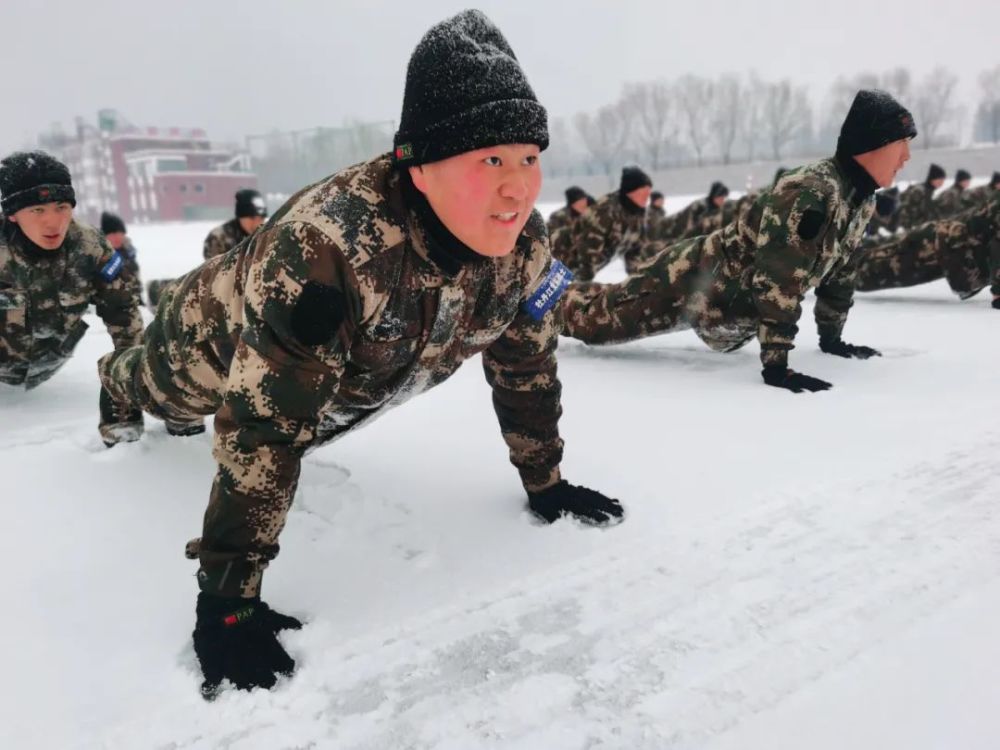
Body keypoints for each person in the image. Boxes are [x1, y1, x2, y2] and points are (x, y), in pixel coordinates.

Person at [97, 9, 623, 697]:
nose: (517, 186)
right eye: (489, 158)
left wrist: (545, 481)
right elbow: (266, 428)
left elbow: (525, 362)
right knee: (158, 388)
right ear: (419, 167)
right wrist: (229, 599)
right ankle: (112, 380)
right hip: (212, 336)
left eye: (529, 158)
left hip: (341, 378)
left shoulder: (524, 249)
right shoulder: (328, 250)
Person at [561, 90, 916, 393]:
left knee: (603, 304)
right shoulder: (811, 192)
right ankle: (536, 305)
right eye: (901, 144)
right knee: (594, 323)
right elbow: (779, 280)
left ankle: (555, 291)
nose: (906, 157)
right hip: (689, 281)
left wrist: (832, 340)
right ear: (873, 145)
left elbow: (841, 272)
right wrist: (776, 366)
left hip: (719, 299)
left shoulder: (859, 199)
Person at [0, 151, 144, 443]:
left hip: (50, 365)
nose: (54, 222)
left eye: (62, 206)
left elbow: (124, 314)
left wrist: (124, 382)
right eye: (37, 211)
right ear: (12, 214)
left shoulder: (90, 247)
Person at [855, 194, 1000, 308]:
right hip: (937, 247)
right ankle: (835, 271)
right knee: (866, 275)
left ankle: (845, 255)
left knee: (877, 252)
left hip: (944, 244)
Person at [146, 189, 268, 307]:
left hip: (246, 287)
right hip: (219, 285)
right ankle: (158, 290)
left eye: (261, 218)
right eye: (253, 218)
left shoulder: (263, 235)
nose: (258, 223)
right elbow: (218, 278)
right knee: (190, 296)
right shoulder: (219, 237)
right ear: (241, 217)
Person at [551, 165, 652, 280]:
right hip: (559, 253)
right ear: (630, 192)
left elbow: (635, 249)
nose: (647, 198)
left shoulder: (638, 212)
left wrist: (638, 280)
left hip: (581, 265)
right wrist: (584, 285)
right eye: (643, 193)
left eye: (648, 194)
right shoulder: (605, 211)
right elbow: (587, 253)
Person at [101, 211, 142, 302]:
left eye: (120, 233)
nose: (117, 237)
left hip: (135, 302)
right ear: (105, 236)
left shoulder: (129, 253)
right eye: (112, 234)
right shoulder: (101, 256)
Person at [897, 163, 945, 228]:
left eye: (943, 180)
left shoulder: (929, 192)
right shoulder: (919, 191)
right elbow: (907, 210)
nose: (942, 183)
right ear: (932, 179)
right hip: (908, 227)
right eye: (940, 180)